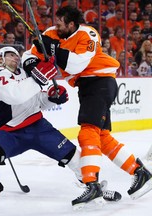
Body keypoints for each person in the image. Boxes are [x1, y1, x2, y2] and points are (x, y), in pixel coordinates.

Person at [22, 6, 152, 210]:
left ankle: (92, 184)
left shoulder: (88, 34)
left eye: (61, 23)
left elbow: (76, 65)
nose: (56, 25)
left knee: (87, 132)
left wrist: (54, 49)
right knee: (101, 137)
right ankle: (140, 173)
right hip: (86, 86)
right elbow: (28, 56)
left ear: (72, 24)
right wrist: (32, 66)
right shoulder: (50, 34)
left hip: (100, 81)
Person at [0, 46, 121, 209]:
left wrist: (51, 97)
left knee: (75, 157)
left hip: (39, 127)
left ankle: (95, 188)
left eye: (17, 55)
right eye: (11, 55)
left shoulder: (26, 75)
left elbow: (36, 101)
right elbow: (16, 95)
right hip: (10, 132)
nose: (16, 58)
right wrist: (39, 78)